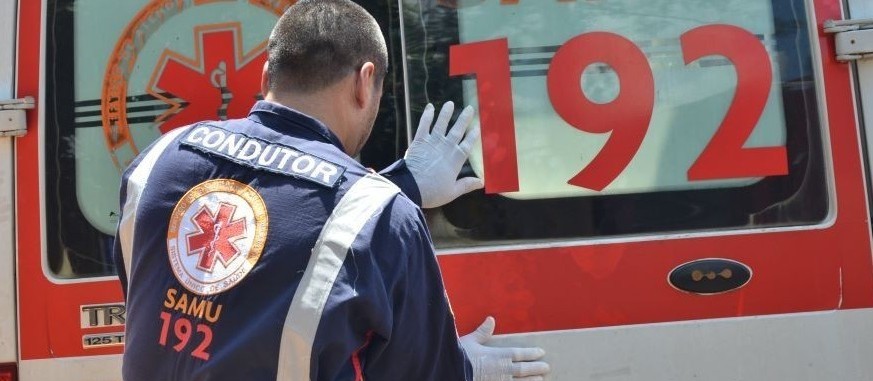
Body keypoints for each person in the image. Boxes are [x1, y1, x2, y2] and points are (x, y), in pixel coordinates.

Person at [112, 0, 550, 380]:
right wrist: (466, 369)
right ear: (364, 81)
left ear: (266, 75)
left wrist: (403, 186)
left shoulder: (158, 160)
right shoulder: (383, 219)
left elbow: (263, 238)